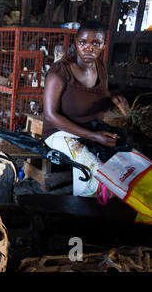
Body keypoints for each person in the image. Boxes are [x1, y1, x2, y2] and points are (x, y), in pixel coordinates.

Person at [42, 20, 131, 197]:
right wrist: (93, 136)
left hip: (90, 128)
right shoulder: (60, 71)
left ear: (103, 46)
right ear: (76, 43)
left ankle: (102, 208)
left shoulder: (101, 68)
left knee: (123, 159)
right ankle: (82, 213)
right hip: (60, 132)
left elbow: (101, 96)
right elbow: (51, 115)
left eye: (95, 43)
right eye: (83, 42)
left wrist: (114, 100)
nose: (88, 48)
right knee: (94, 171)